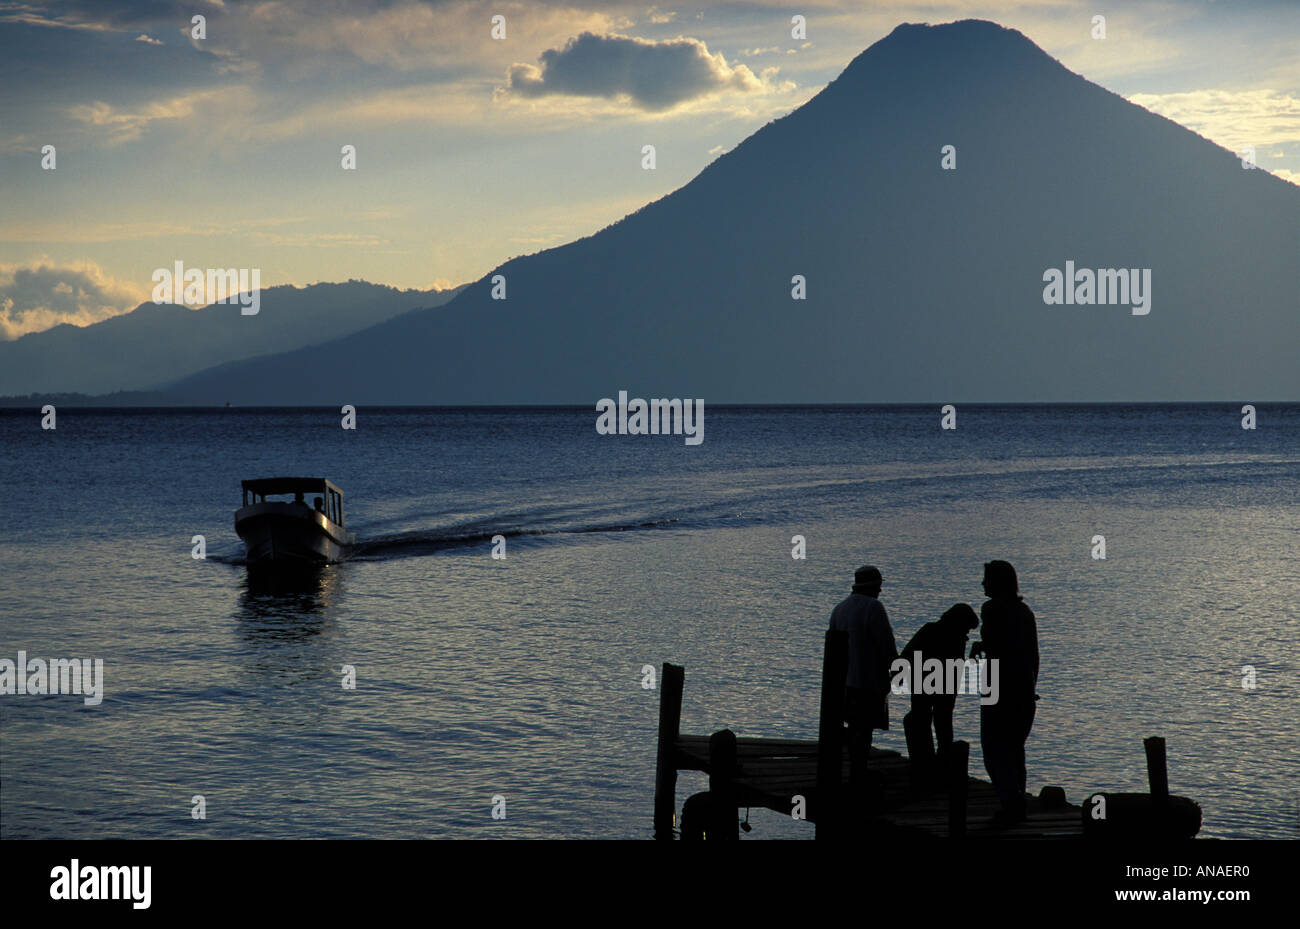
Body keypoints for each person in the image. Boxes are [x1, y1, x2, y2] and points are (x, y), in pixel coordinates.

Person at [970, 560, 1039, 825]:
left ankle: (1010, 802)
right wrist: (1031, 686)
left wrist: (982, 645)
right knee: (1015, 748)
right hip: (1023, 685)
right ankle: (1017, 800)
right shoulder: (1024, 611)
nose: (983, 584)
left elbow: (997, 644)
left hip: (998, 686)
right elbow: (1033, 654)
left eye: (987, 579)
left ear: (997, 582)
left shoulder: (991, 608)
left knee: (993, 748)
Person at [828, 566, 898, 791]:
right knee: (864, 729)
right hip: (868, 681)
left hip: (844, 683)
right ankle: (859, 772)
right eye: (879, 586)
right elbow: (885, 642)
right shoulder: (873, 608)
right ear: (873, 587)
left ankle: (853, 770)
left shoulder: (839, 609)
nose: (880, 591)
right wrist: (895, 667)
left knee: (854, 726)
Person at [902, 603, 979, 771]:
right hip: (936, 686)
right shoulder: (955, 637)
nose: (967, 634)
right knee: (941, 724)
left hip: (924, 683)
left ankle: (927, 764)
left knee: (925, 722)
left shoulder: (931, 630)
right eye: (966, 629)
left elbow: (907, 653)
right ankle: (939, 763)